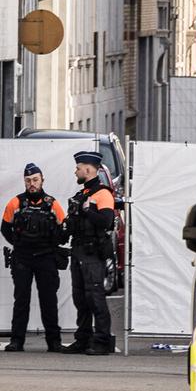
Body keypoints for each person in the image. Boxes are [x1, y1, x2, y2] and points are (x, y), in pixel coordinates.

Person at [0, 162, 70, 352]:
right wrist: (19, 244)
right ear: (24, 182)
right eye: (28, 180)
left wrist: (52, 242)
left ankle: (54, 342)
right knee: (21, 299)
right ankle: (17, 341)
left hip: (46, 257)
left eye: (35, 180)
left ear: (42, 180)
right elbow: (5, 229)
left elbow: (64, 229)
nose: (32, 184)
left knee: (49, 300)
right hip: (22, 257)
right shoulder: (15, 203)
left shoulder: (52, 204)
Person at [65, 150, 119, 356]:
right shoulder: (82, 195)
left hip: (93, 252)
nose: (75, 171)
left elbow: (106, 221)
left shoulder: (102, 194)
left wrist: (88, 211)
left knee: (95, 297)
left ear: (88, 170)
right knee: (80, 298)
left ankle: (102, 341)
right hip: (78, 250)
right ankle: (83, 339)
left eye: (78, 168)